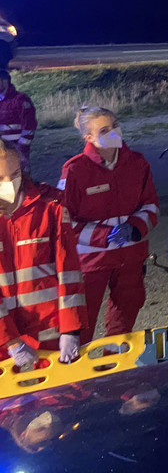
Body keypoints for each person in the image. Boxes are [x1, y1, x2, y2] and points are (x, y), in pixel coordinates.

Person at [59, 107, 159, 344]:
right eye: (104, 130)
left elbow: (151, 205)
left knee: (127, 312)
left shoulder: (137, 164)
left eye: (115, 125)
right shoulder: (75, 170)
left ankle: (114, 360)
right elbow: (64, 220)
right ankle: (80, 366)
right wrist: (104, 235)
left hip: (130, 255)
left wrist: (135, 228)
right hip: (92, 260)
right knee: (83, 319)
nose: (113, 132)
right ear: (89, 138)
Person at [0, 140, 85, 369]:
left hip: (49, 330)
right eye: (0, 178)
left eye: (15, 174)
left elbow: (69, 271)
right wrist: (10, 340)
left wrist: (71, 329)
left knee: (62, 390)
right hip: (2, 336)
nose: (9, 183)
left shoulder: (50, 208)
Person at [0, 70, 37, 179]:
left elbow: (29, 127)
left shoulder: (20, 100)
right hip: (2, 151)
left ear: (5, 81)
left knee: (19, 179)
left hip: (17, 151)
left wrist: (21, 149)